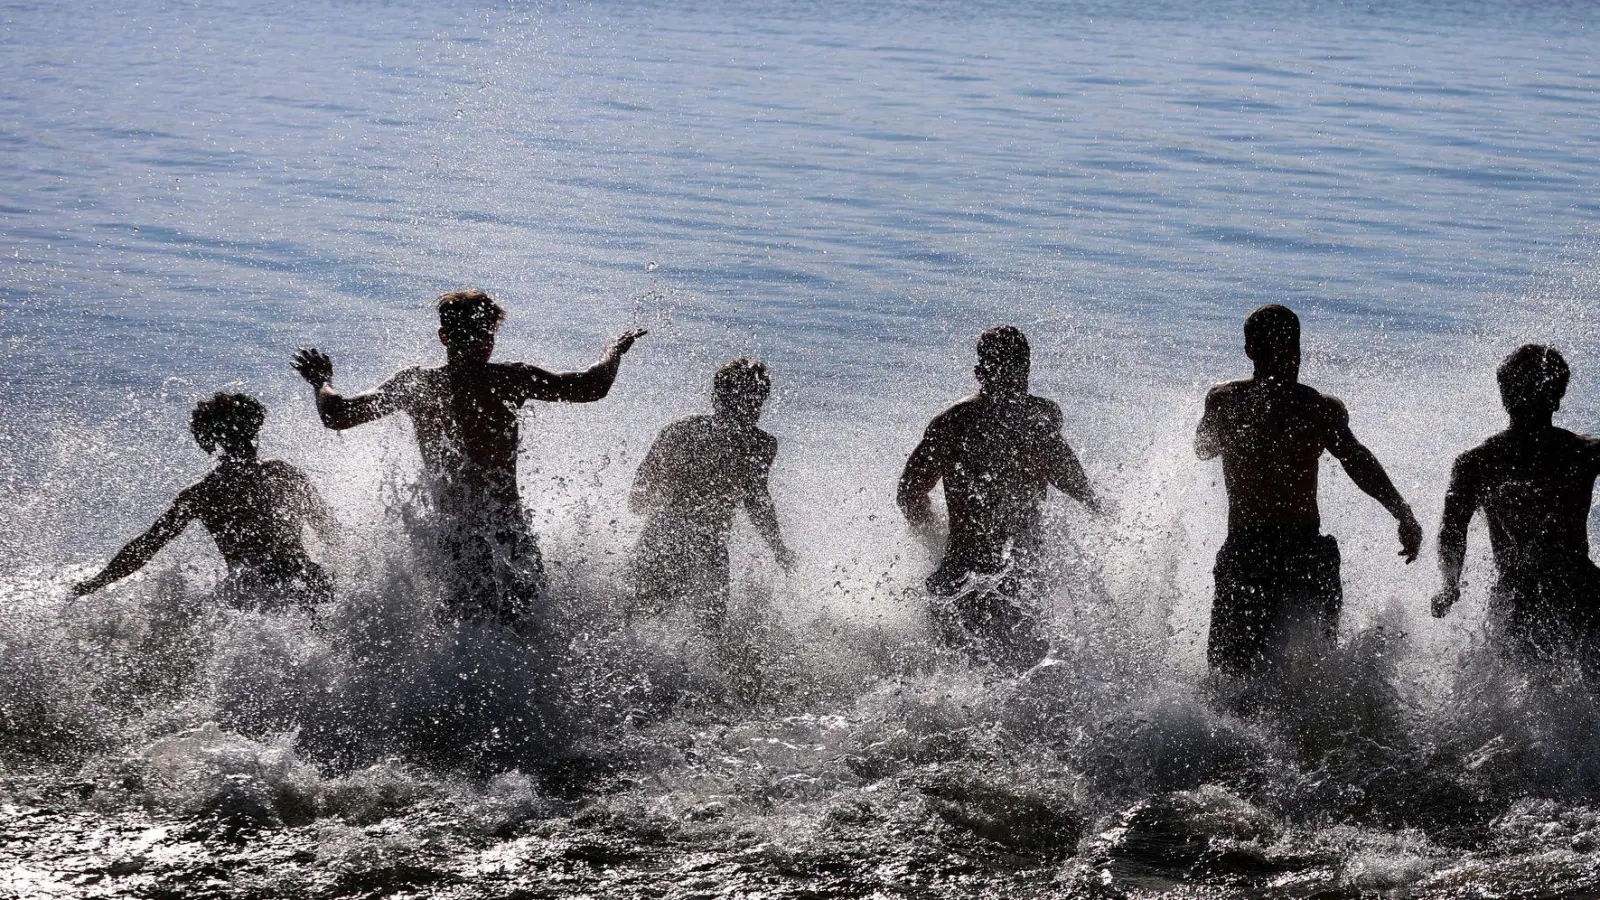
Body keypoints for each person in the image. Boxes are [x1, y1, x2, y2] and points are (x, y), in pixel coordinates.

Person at [292, 289, 644, 629]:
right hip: (507, 533)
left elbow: (337, 415)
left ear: (444, 337)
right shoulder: (510, 379)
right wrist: (613, 351)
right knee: (523, 634)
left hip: (452, 537)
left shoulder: (417, 385)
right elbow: (592, 386)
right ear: (490, 338)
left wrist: (321, 381)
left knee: (462, 635)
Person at [1195, 304, 1421, 678]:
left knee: (1227, 675)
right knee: (1321, 674)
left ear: (1249, 350)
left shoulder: (1225, 401)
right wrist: (1402, 513)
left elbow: (1203, 450)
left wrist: (1240, 434)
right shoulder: (1319, 409)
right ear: (1298, 348)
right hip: (1306, 554)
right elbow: (1358, 461)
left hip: (1248, 551)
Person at [897, 326, 1103, 667]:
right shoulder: (1040, 417)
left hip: (963, 567)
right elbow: (1069, 477)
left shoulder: (955, 421)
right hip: (1023, 568)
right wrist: (1101, 507)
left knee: (952, 675)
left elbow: (909, 492)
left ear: (980, 371)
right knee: (1028, 671)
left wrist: (933, 539)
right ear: (1027, 368)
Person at [72, 393, 337, 610]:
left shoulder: (200, 494)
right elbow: (329, 531)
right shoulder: (282, 473)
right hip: (303, 579)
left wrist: (96, 582)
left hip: (247, 593)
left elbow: (147, 545)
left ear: (210, 439)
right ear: (255, 426)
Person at [1432, 345, 1600, 675]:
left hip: (1516, 597)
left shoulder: (1477, 461)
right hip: (1580, 589)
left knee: (1523, 690)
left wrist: (1450, 585)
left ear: (1504, 394)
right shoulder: (1584, 452)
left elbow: (1452, 531)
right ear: (1558, 397)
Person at [629, 358, 795, 636]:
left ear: (716, 396)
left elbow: (636, 499)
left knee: (638, 623)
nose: (755, 408)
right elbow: (757, 502)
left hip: (659, 536)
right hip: (709, 547)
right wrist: (778, 549)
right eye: (755, 401)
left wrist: (674, 497)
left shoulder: (678, 430)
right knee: (708, 636)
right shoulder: (760, 444)